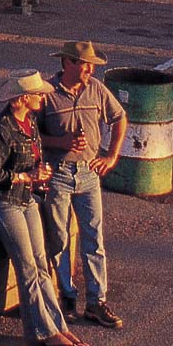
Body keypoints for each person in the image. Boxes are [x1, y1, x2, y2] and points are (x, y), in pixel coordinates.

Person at [0, 71, 89, 346]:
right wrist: (27, 177)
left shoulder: (29, 122)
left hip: (26, 200)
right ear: (23, 98)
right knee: (27, 267)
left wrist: (39, 176)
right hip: (4, 202)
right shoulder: (1, 128)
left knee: (42, 264)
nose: (43, 97)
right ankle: (42, 331)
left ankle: (57, 325)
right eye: (38, 94)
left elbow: (35, 161)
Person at [38, 40, 129, 330]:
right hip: (59, 173)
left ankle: (96, 301)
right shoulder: (47, 93)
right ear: (67, 63)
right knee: (60, 239)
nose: (89, 69)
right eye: (84, 63)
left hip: (89, 172)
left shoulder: (97, 90)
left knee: (93, 237)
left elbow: (119, 118)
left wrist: (111, 156)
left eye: (91, 65)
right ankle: (67, 295)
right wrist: (60, 143)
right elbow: (33, 135)